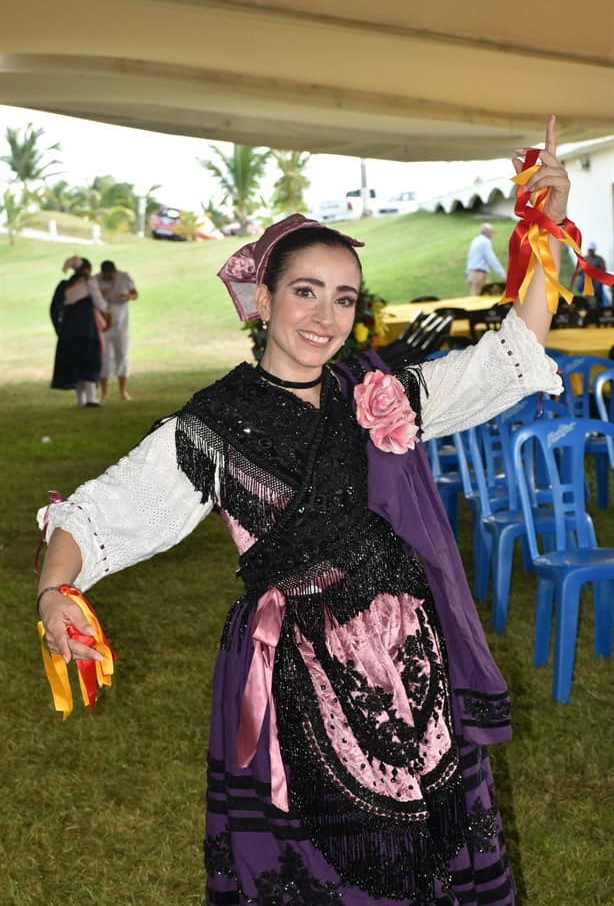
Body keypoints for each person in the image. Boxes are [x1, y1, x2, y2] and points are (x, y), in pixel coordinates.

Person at [36, 118, 569, 904]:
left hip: (406, 658)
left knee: (431, 858)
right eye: (305, 292)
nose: (324, 317)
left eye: (343, 297)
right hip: (292, 670)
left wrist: (545, 227)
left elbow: (509, 353)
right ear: (262, 298)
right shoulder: (213, 424)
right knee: (318, 870)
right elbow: (102, 513)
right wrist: (55, 591)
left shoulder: (376, 390)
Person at [50, 256, 109, 407]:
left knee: (75, 361)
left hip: (69, 326)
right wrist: (108, 313)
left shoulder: (65, 285)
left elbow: (54, 307)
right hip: (87, 325)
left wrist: (59, 327)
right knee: (89, 360)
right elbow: (98, 301)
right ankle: (91, 398)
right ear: (87, 269)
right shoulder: (89, 281)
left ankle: (80, 399)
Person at [95, 259, 138, 400]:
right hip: (104, 325)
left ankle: (122, 392)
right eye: (106, 276)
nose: (109, 278)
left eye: (111, 275)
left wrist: (128, 296)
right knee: (103, 357)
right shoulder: (95, 280)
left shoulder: (124, 277)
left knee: (122, 355)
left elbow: (135, 294)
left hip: (121, 325)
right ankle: (104, 393)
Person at [466, 222, 507, 295]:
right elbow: (492, 259)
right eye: (492, 232)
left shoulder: (475, 240)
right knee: (478, 296)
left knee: (487, 292)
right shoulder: (485, 242)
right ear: (487, 232)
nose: (493, 235)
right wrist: (502, 274)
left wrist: (468, 275)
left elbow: (470, 257)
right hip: (479, 273)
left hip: (474, 273)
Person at [570, 241, 610, 306]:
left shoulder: (599, 259)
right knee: (581, 284)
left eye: (591, 250)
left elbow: (604, 270)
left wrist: (595, 271)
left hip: (596, 278)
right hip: (586, 279)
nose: (590, 251)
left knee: (597, 289)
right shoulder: (584, 259)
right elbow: (579, 270)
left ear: (594, 250)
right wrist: (577, 272)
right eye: (589, 250)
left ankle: (598, 299)